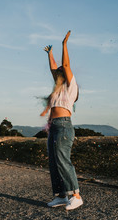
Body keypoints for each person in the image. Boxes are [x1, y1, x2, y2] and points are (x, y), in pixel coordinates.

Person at [40, 30, 83, 211]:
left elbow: (64, 64)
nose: (58, 71)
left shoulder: (70, 87)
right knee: (54, 162)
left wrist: (63, 45)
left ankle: (75, 195)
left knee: (63, 160)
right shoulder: (57, 89)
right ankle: (60, 196)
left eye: (61, 71)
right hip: (54, 127)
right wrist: (49, 53)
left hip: (64, 126)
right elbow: (54, 67)